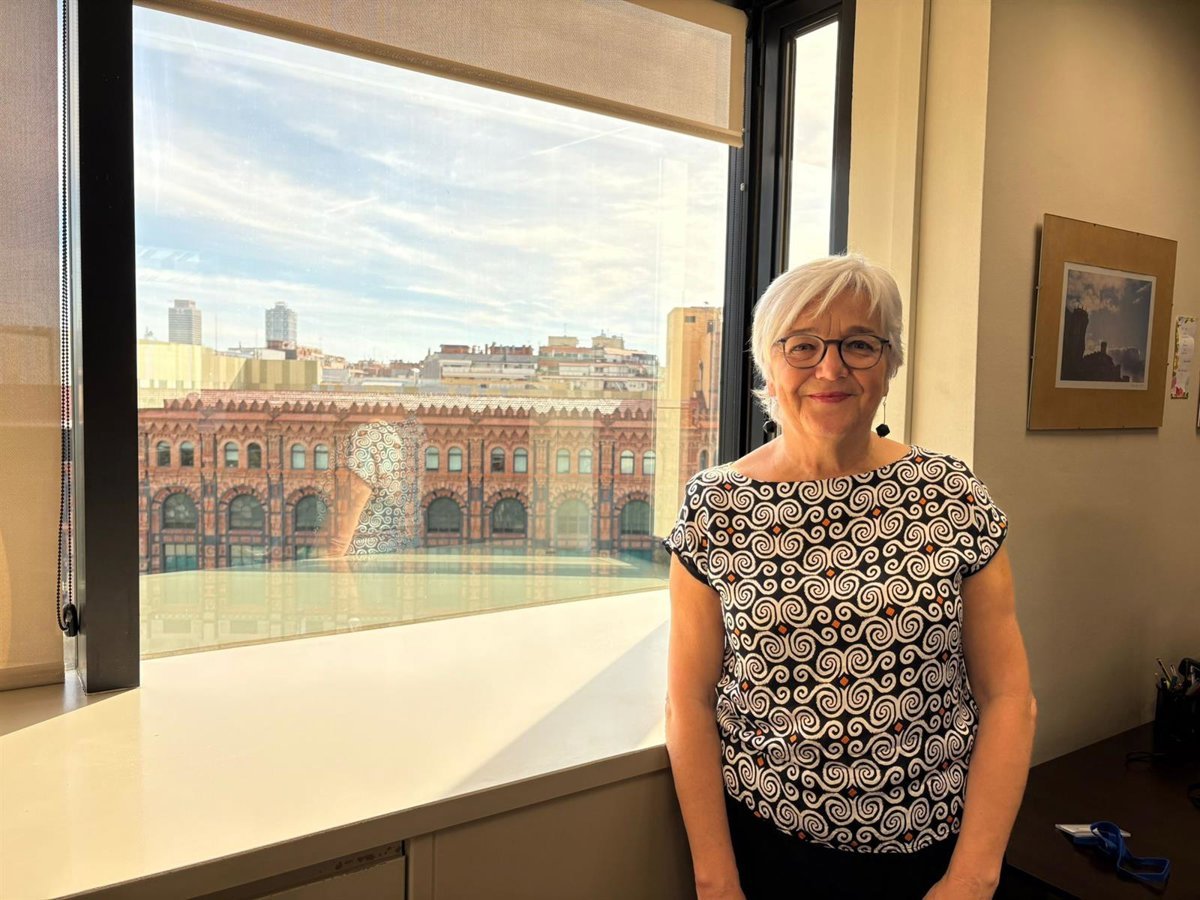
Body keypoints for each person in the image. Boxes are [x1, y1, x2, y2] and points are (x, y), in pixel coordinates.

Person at [662, 254, 1036, 900]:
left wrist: (974, 877)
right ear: (768, 364)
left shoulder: (951, 495)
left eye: (859, 345)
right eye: (802, 345)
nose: (830, 369)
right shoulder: (715, 507)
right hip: (769, 849)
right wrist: (717, 882)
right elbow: (688, 703)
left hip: (936, 858)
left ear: (889, 365)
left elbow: (1009, 697)